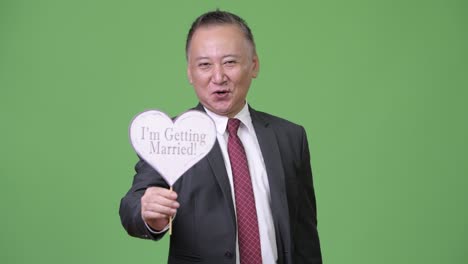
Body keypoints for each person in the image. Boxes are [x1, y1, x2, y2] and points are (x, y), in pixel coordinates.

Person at [120, 10, 322, 264]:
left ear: (254, 65)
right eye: (204, 65)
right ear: (190, 73)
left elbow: (304, 237)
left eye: (229, 62)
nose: (218, 77)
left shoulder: (290, 138)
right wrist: (146, 212)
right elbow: (131, 205)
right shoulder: (171, 136)